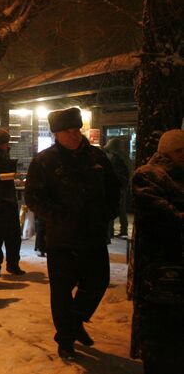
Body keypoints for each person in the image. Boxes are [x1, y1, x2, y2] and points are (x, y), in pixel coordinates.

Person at [25, 107, 120, 360]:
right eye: (68, 131)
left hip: (93, 234)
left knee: (97, 282)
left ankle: (75, 322)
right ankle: (66, 338)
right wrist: (58, 215)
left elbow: (114, 188)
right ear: (56, 133)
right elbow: (33, 197)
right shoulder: (44, 161)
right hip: (62, 238)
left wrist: (107, 212)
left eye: (77, 129)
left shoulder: (97, 157)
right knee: (62, 291)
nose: (74, 134)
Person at [130, 129, 184, 373]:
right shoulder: (148, 176)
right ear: (165, 152)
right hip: (159, 269)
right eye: (179, 151)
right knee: (160, 332)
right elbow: (162, 216)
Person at [0, 129, 25, 276]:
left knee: (13, 236)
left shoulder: (4, 154)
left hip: (8, 200)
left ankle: (11, 264)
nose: (6, 144)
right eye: (4, 142)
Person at [104, 138, 131, 239]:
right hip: (123, 186)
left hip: (118, 186)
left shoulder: (116, 158)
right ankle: (122, 230)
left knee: (115, 207)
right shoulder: (125, 156)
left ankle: (112, 232)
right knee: (121, 208)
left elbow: (113, 174)